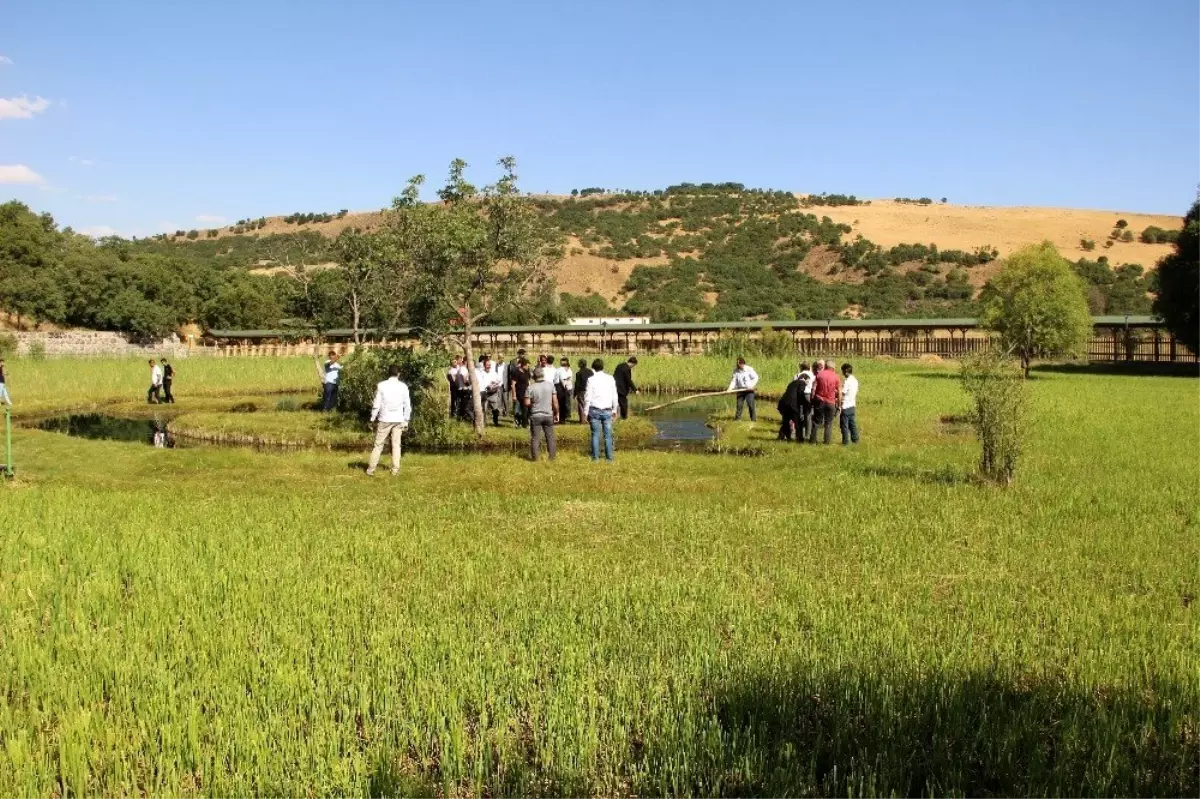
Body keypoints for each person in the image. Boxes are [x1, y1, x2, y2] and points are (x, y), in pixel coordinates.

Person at [366, 363, 412, 477]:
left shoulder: (381, 385)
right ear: (399, 374)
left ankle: (371, 469)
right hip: (398, 419)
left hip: (384, 418)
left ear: (388, 373)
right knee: (396, 445)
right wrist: (406, 420)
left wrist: (372, 418)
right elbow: (407, 405)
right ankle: (395, 469)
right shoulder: (403, 386)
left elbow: (376, 404)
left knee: (378, 445)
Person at [583, 358, 618, 462]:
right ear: (603, 367)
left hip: (594, 409)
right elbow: (614, 395)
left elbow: (588, 397)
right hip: (607, 409)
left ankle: (595, 458)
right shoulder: (610, 378)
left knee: (595, 435)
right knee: (608, 435)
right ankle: (609, 458)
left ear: (593, 367)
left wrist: (585, 412)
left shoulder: (591, 379)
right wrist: (615, 409)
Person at [525, 367, 558, 461]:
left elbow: (527, 403)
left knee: (535, 438)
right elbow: (555, 402)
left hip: (535, 415)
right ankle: (551, 458)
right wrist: (557, 413)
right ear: (543, 375)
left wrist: (534, 404)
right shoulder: (550, 385)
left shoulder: (530, 387)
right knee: (550, 437)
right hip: (548, 414)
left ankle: (535, 459)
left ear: (534, 376)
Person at [810, 361, 841, 445]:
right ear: (833, 368)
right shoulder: (836, 376)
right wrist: (839, 404)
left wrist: (812, 400)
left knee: (816, 422)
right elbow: (839, 392)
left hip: (819, 401)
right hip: (831, 402)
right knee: (828, 423)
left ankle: (813, 441)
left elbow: (813, 388)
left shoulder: (819, 375)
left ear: (826, 367)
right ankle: (826, 442)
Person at [475, 354, 504, 427]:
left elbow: (500, 381)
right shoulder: (481, 373)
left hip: (493, 394)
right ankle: (483, 423)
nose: (489, 366)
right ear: (484, 365)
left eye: (489, 365)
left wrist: (496, 385)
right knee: (483, 409)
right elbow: (479, 383)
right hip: (484, 393)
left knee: (495, 409)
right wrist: (487, 386)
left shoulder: (494, 373)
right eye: (487, 365)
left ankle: (496, 422)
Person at [777, 372, 807, 441]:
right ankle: (800, 439)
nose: (807, 383)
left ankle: (781, 437)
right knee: (798, 423)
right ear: (804, 379)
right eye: (808, 380)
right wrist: (806, 403)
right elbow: (800, 394)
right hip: (792, 405)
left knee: (786, 422)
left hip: (783, 404)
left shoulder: (792, 383)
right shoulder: (802, 382)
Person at [840, 362, 860, 445]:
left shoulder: (847, 381)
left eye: (842, 371)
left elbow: (843, 393)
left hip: (845, 405)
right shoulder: (855, 380)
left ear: (845, 371)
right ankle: (855, 439)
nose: (842, 373)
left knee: (844, 425)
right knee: (852, 424)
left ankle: (845, 442)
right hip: (852, 404)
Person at [796, 361, 815, 440]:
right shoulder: (813, 375)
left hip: (800, 395)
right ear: (809, 367)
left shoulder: (797, 375)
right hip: (809, 395)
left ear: (801, 367)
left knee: (800, 414)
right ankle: (808, 434)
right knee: (808, 415)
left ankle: (800, 435)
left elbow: (794, 384)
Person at [510, 357, 531, 428]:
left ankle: (525, 424)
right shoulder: (516, 373)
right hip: (518, 395)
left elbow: (528, 382)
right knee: (517, 411)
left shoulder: (527, 372)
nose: (528, 367)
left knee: (525, 411)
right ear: (523, 365)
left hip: (526, 395)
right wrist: (514, 395)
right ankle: (517, 424)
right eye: (527, 366)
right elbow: (513, 385)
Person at [574, 358, 593, 424]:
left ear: (580, 365)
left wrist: (575, 393)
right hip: (590, 390)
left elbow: (577, 384)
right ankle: (590, 419)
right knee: (589, 404)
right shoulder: (590, 372)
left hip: (581, 391)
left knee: (581, 405)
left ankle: (582, 420)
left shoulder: (578, 373)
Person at [555, 357, 573, 424]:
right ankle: (562, 419)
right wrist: (565, 389)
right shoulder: (562, 370)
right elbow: (562, 380)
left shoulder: (560, 369)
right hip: (561, 387)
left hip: (560, 387)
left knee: (562, 403)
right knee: (562, 403)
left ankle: (562, 418)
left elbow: (568, 378)